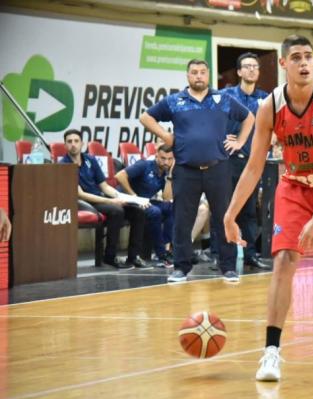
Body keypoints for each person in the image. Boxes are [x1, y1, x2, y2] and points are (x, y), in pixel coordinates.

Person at [223, 35, 313, 382]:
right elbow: (254, 166)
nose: (304, 63)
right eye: (296, 57)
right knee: (284, 261)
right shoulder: (269, 106)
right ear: (283, 63)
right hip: (295, 188)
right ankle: (271, 351)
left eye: (308, 57)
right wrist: (229, 214)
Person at [140, 59, 255, 283]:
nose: (199, 76)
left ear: (208, 74)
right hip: (186, 170)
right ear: (188, 76)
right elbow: (145, 117)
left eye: (202, 72)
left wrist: (240, 142)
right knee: (182, 220)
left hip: (218, 168)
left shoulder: (222, 99)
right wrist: (165, 136)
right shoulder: (175, 101)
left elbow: (249, 118)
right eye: (194, 72)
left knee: (224, 218)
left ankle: (228, 267)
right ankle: (180, 268)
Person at [61, 129, 149, 270]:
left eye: (76, 141)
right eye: (69, 141)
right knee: (117, 211)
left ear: (82, 143)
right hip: (83, 203)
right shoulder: (64, 165)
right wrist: (112, 201)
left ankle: (133, 257)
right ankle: (109, 257)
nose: (73, 144)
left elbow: (104, 186)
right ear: (65, 145)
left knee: (138, 212)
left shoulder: (90, 160)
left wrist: (121, 197)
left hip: (100, 199)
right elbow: (80, 194)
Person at [222, 52, 270, 270]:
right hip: (228, 160)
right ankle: (221, 255)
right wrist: (222, 137)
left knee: (250, 211)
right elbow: (212, 119)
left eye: (255, 66)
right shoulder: (226, 95)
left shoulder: (265, 99)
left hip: (251, 163)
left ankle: (250, 255)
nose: (252, 69)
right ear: (239, 72)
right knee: (224, 209)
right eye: (247, 66)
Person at [115, 144, 175, 268]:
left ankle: (166, 249)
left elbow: (166, 198)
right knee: (155, 212)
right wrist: (134, 196)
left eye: (170, 159)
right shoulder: (144, 165)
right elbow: (119, 176)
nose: (166, 162)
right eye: (163, 158)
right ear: (156, 156)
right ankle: (162, 254)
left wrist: (170, 176)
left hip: (145, 202)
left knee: (172, 207)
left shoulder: (165, 172)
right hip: (127, 200)